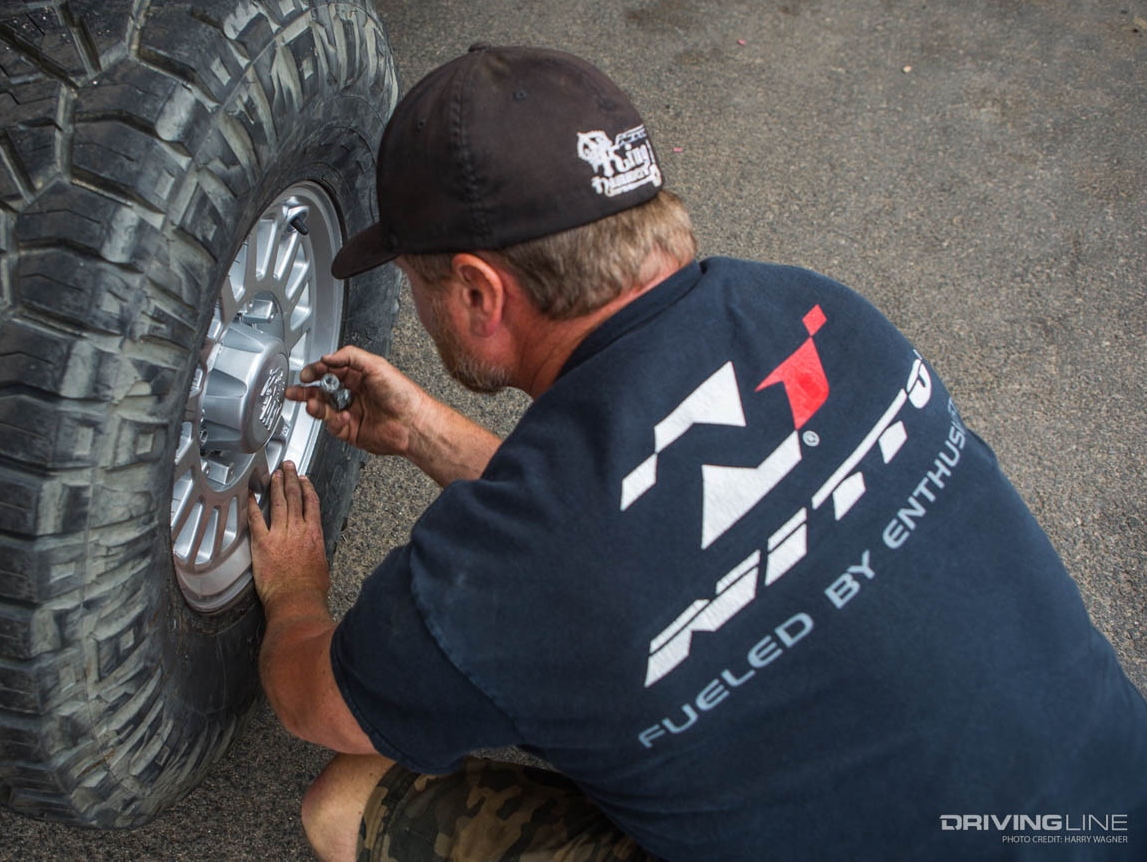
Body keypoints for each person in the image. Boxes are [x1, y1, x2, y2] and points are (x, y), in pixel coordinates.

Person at [246, 45, 1147, 862]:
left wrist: (294, 591)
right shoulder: (818, 313)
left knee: (345, 804)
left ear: (479, 292)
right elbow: (653, 528)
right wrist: (426, 433)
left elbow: (313, 701)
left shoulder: (510, 574)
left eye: (416, 281)